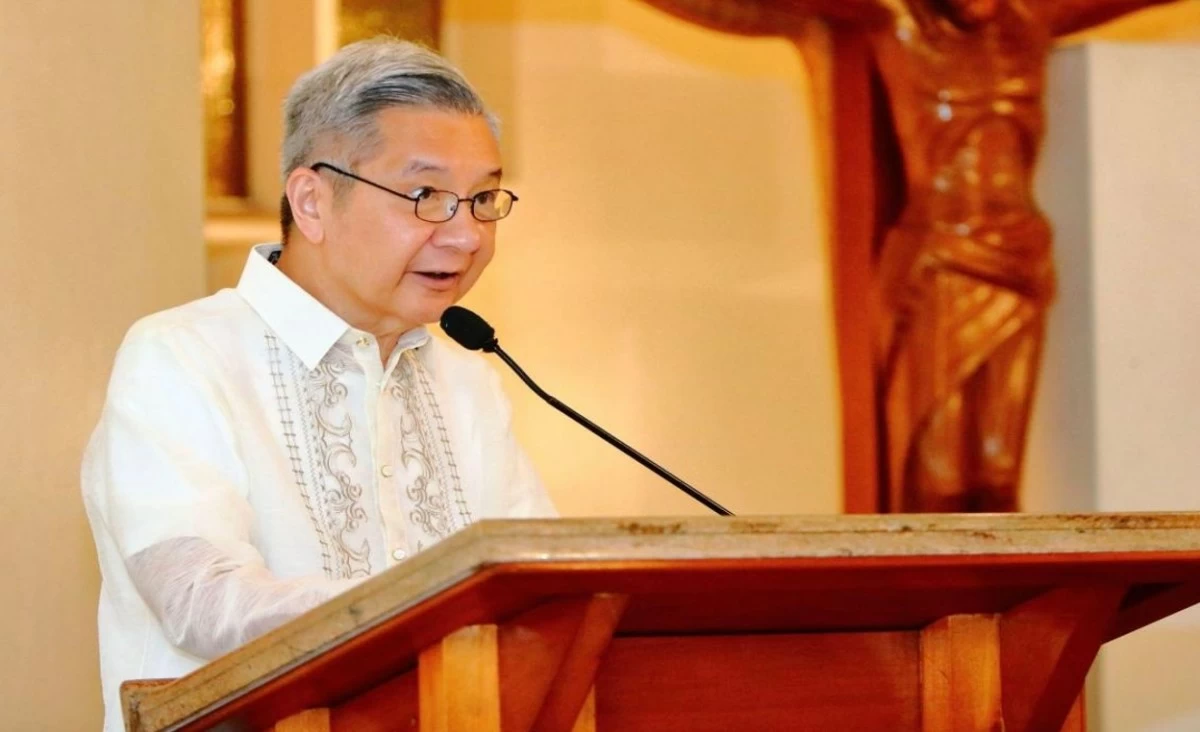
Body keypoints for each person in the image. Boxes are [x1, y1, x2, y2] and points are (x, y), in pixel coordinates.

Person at [81, 39, 555, 731]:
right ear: (311, 200)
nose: (466, 235)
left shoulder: (469, 382)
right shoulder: (180, 356)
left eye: (483, 198)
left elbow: (544, 600)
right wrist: (440, 614)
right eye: (426, 196)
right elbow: (200, 599)